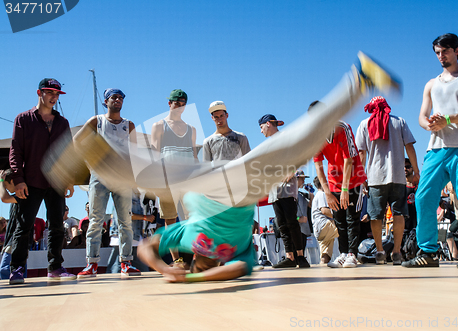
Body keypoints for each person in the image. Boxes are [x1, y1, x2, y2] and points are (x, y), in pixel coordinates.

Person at [51, 52, 401, 282]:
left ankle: (96, 156)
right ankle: (359, 81)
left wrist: (169, 270)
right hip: (235, 186)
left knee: (164, 173)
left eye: (198, 263)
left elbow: (146, 247)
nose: (204, 262)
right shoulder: (238, 255)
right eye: (206, 264)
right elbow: (237, 269)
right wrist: (194, 279)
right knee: (293, 148)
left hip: (216, 181)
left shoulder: (188, 238)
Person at [403, 33, 458, 268]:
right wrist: (428, 123)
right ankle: (428, 252)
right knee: (423, 196)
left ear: (457, 50)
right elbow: (422, 116)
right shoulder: (431, 83)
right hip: (436, 148)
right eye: (438, 53)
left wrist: (449, 118)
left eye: (445, 51)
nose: (441, 56)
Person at [8, 78, 75, 284]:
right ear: (39, 93)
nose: (54, 97)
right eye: (50, 93)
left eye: (57, 94)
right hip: (31, 181)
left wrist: (69, 179)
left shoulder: (62, 123)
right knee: (24, 226)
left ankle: (55, 267)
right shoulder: (24, 119)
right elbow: (15, 151)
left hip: (56, 182)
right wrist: (18, 179)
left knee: (57, 226)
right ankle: (17, 269)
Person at [74, 88, 141, 278]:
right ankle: (92, 264)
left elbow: (135, 152)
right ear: (106, 101)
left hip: (121, 176)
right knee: (96, 220)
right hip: (100, 175)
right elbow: (77, 141)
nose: (118, 100)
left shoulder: (129, 125)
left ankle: (126, 263)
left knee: (125, 221)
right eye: (114, 97)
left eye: (121, 97)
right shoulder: (97, 121)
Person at [356, 96, 419, 265]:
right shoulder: (400, 122)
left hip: (375, 178)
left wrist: (362, 177)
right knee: (398, 214)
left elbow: (361, 154)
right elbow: (410, 147)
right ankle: (397, 252)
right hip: (398, 176)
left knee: (376, 216)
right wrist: (416, 170)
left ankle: (380, 251)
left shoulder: (364, 124)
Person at [314, 116, 367, 268]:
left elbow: (348, 160)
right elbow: (318, 166)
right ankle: (343, 253)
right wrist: (327, 193)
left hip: (353, 179)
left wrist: (345, 189)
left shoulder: (342, 127)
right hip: (334, 181)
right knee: (339, 220)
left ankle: (352, 254)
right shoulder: (315, 136)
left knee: (352, 218)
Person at [259, 114, 310, 268]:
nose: (261, 131)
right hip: (274, 190)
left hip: (287, 188)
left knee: (291, 222)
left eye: (261, 127)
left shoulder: (286, 137)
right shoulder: (267, 146)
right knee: (281, 224)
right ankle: (290, 257)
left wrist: (292, 170)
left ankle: (301, 256)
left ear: (268, 124)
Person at [151, 89, 196, 261]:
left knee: (192, 219)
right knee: (170, 221)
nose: (180, 107)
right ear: (169, 104)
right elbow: (155, 155)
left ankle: (194, 258)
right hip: (166, 180)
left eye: (183, 104)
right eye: (177, 103)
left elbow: (194, 157)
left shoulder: (191, 129)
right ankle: (177, 259)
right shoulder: (159, 125)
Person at [311, 176, 339, 264]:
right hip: (324, 225)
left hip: (319, 230)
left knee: (325, 255)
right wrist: (339, 216)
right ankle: (350, 254)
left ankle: (323, 270)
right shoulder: (322, 194)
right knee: (344, 228)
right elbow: (324, 210)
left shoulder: (317, 195)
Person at [295, 170, 313, 258]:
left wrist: (311, 193)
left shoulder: (301, 195)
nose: (303, 181)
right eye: (302, 179)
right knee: (296, 256)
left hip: (303, 231)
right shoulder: (289, 194)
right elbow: (286, 216)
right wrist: (298, 219)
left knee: (301, 256)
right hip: (295, 230)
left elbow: (310, 205)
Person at [405, 158, 418, 230]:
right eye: (403, 167)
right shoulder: (401, 185)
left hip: (417, 220)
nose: (405, 169)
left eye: (407, 167)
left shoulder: (419, 184)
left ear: (412, 168)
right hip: (405, 223)